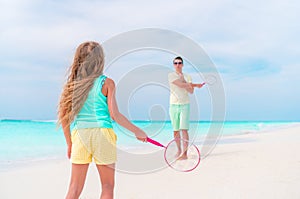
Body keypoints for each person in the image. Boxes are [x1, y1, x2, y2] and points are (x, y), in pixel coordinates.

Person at [57, 41, 148, 199]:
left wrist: (70, 143)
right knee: (107, 186)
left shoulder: (72, 85)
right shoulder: (107, 83)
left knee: (74, 188)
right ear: (100, 60)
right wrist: (138, 131)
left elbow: (64, 119)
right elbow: (115, 116)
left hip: (80, 135)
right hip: (102, 135)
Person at [168, 56, 205, 160]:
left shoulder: (188, 76)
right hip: (173, 105)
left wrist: (186, 82)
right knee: (175, 130)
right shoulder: (171, 75)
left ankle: (185, 154)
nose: (178, 65)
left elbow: (190, 91)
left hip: (185, 104)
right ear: (173, 65)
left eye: (179, 63)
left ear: (182, 65)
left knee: (184, 129)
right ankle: (179, 150)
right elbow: (180, 85)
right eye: (175, 63)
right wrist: (196, 85)